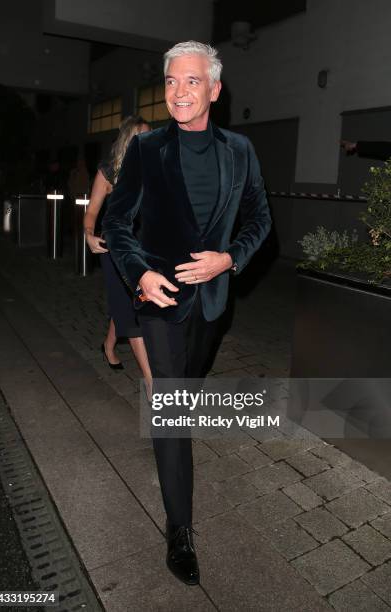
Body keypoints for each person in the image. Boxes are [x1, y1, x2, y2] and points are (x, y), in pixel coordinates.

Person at [102, 41, 271, 586]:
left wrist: (229, 258)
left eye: (191, 81)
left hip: (213, 303)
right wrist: (139, 274)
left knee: (187, 392)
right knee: (173, 410)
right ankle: (179, 530)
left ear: (214, 90)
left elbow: (260, 220)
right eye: (171, 82)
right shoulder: (149, 150)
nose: (178, 92)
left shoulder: (240, 151)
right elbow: (118, 224)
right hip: (159, 299)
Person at [83, 116, 152, 390]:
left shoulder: (154, 168)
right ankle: (151, 383)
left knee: (127, 303)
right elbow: (91, 212)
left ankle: (109, 344)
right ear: (127, 139)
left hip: (145, 248)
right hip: (115, 249)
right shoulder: (109, 171)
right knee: (133, 309)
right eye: (140, 136)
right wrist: (88, 234)